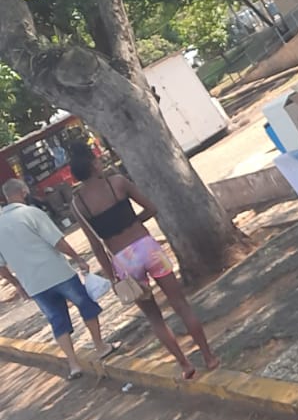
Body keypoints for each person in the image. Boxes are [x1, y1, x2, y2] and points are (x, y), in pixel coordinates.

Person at [69, 144, 218, 380]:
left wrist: (113, 277)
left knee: (154, 317)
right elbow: (151, 208)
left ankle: (185, 364)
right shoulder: (117, 183)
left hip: (123, 261)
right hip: (146, 247)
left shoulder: (79, 205)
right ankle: (209, 357)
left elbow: (96, 245)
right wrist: (134, 221)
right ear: (94, 165)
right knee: (180, 304)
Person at [0, 177, 119, 378]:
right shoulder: (31, 213)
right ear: (23, 192)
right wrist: (78, 258)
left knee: (57, 320)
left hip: (33, 283)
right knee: (85, 305)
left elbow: (1, 267)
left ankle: (73, 364)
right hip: (57, 272)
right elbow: (57, 241)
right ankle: (100, 346)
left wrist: (17, 284)